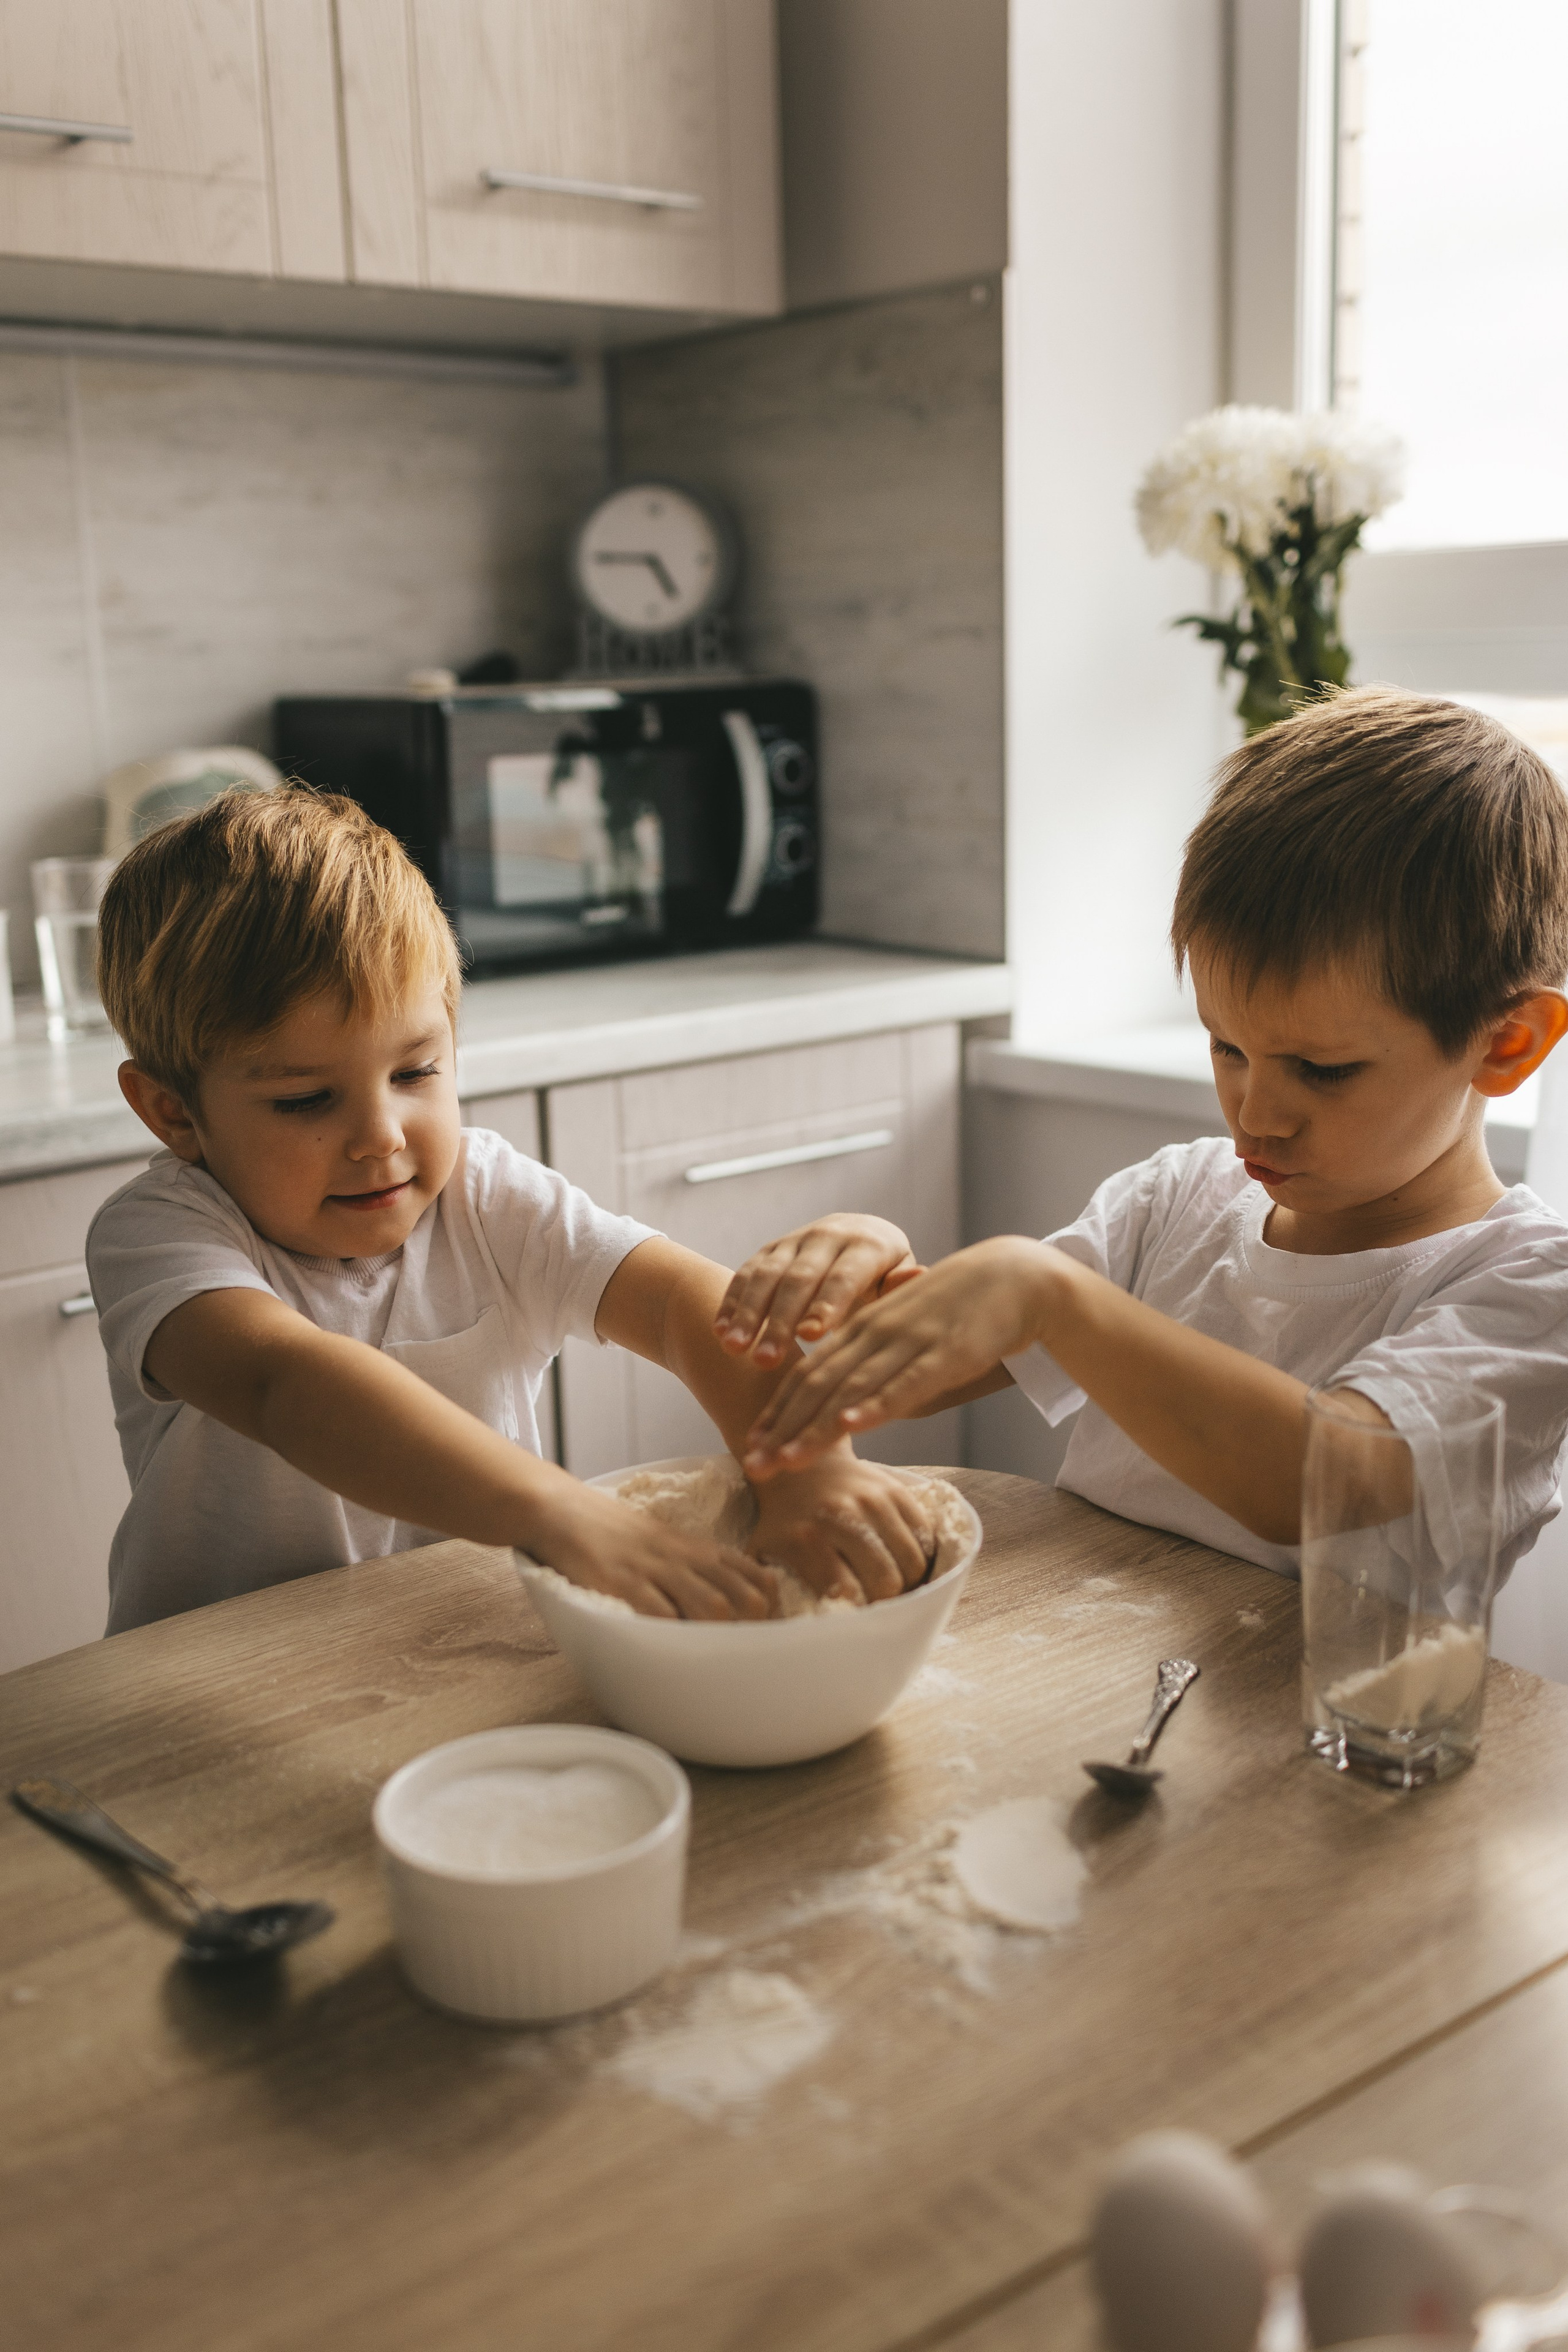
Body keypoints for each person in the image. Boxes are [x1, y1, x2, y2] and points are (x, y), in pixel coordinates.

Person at [738, 687, 1568, 1581]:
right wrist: (855, 1287)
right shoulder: (1179, 1199)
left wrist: (1050, 1295)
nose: (1255, 1114)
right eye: (1227, 1046)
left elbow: (1323, 1480)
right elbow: (945, 1360)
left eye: (1321, 1070)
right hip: (1100, 1678)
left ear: (1506, 1044)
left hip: (1325, 1721)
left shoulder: (1526, 1285)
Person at [88, 786, 935, 1634]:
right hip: (224, 1680)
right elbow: (288, 1386)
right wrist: (557, 1508)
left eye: (416, 1073)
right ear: (172, 1112)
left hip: (462, 1641)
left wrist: (804, 1470)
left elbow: (686, 1306)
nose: (380, 1138)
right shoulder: (160, 1236)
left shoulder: (487, 1198)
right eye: (307, 1100)